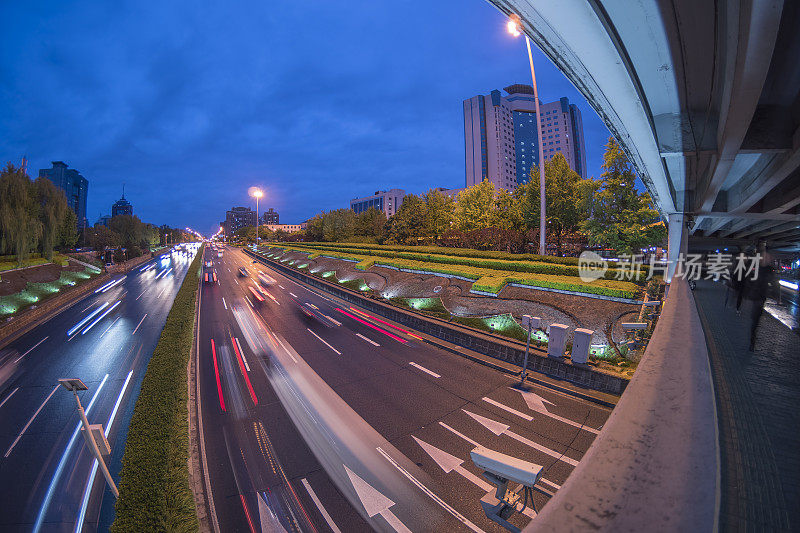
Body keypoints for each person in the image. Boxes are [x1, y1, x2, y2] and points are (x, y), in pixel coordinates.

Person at [743, 253, 775, 351]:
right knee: (755, 320)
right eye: (766, 258)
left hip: (760, 297)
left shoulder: (768, 270)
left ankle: (753, 339)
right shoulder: (757, 269)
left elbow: (773, 283)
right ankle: (752, 341)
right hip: (757, 297)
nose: (767, 259)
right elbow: (749, 280)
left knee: (756, 319)